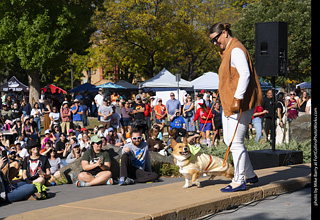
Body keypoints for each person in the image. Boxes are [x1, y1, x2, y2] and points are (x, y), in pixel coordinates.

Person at [209, 23, 263, 192]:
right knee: (229, 141)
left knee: (235, 142)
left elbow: (245, 74)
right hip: (229, 103)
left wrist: (237, 98)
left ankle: (239, 180)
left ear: (224, 33)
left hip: (239, 104)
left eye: (216, 39)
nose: (215, 43)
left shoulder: (236, 49)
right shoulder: (228, 51)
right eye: (212, 41)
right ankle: (250, 174)